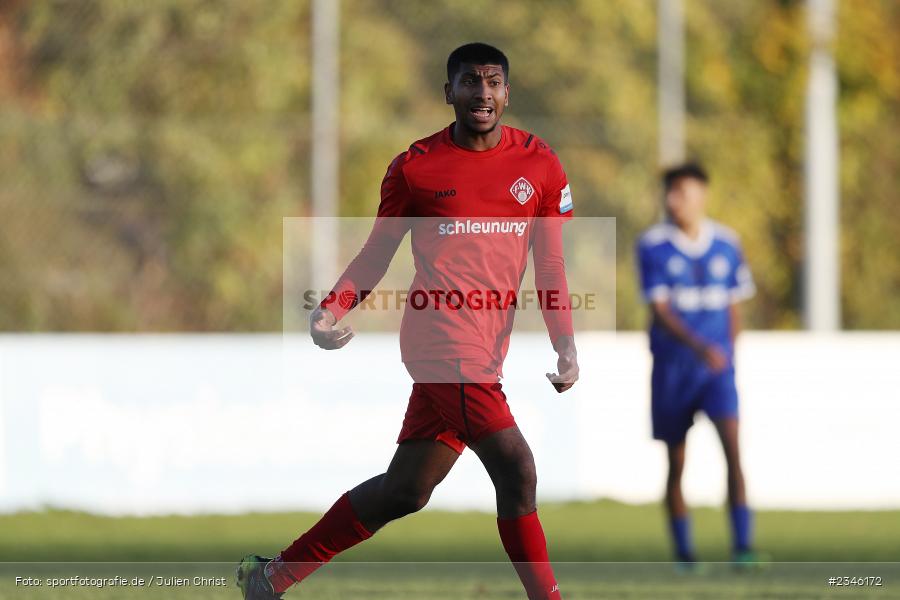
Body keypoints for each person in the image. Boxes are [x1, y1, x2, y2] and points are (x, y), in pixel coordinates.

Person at [237, 42, 578, 600]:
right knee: (517, 468)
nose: (483, 93)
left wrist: (566, 343)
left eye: (493, 82)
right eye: (470, 82)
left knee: (405, 490)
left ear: (507, 93)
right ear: (449, 93)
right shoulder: (416, 167)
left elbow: (552, 264)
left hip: (487, 349)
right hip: (437, 339)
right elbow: (376, 254)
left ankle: (272, 577)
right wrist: (332, 308)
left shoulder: (539, 164)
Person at [636, 163, 759, 566]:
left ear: (701, 196)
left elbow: (733, 305)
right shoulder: (652, 244)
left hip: (717, 372)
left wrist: (728, 351)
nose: (675, 202)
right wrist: (701, 346)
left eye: (683, 193)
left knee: (734, 452)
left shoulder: (727, 242)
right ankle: (684, 554)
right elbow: (661, 310)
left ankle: (743, 548)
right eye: (670, 194)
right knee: (676, 462)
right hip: (674, 370)